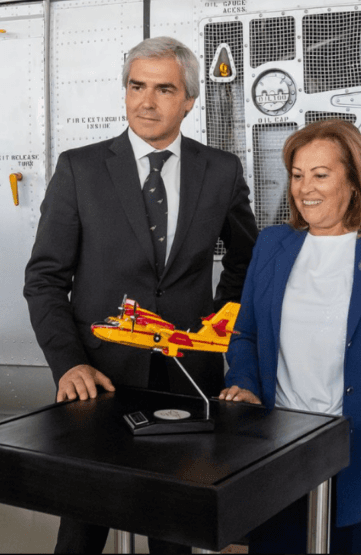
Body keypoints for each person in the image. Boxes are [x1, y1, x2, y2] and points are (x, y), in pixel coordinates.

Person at [24, 36, 258, 554]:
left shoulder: (221, 171)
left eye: (164, 89)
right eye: (136, 86)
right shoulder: (80, 169)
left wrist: (214, 329)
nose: (146, 102)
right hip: (98, 380)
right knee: (81, 532)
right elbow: (44, 279)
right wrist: (68, 364)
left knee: (173, 533)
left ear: (189, 100)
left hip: (187, 378)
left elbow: (247, 261)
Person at [220, 119, 361, 554]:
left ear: (354, 181)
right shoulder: (271, 244)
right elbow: (245, 333)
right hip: (278, 450)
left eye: (320, 175)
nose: (305, 188)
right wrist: (244, 384)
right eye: (297, 175)